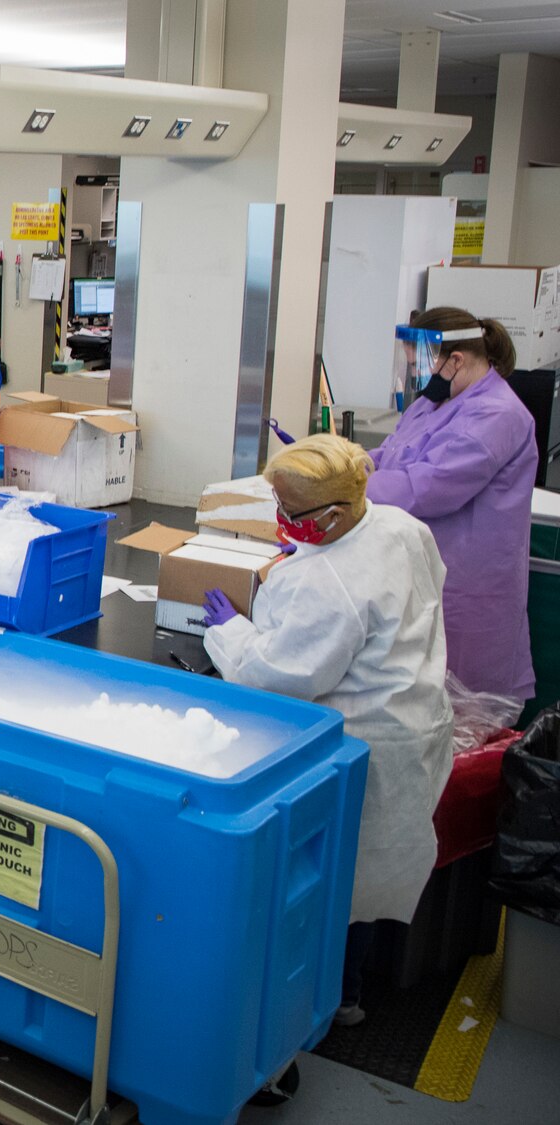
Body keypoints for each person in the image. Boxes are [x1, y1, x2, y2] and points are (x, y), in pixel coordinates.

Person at [200, 435, 453, 1027]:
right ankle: (348, 992)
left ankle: (318, 1001)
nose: (281, 521)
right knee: (359, 877)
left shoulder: (328, 585)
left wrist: (230, 631)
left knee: (333, 873)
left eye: (291, 512)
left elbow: (276, 678)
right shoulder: (398, 526)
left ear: (335, 512)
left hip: (360, 740)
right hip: (413, 719)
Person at [369, 307, 537, 703]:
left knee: (459, 710)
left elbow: (428, 485)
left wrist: (348, 485)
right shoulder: (437, 401)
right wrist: (362, 460)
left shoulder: (497, 414)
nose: (415, 377)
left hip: (466, 583)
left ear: (455, 360)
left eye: (419, 366)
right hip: (422, 566)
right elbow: (400, 451)